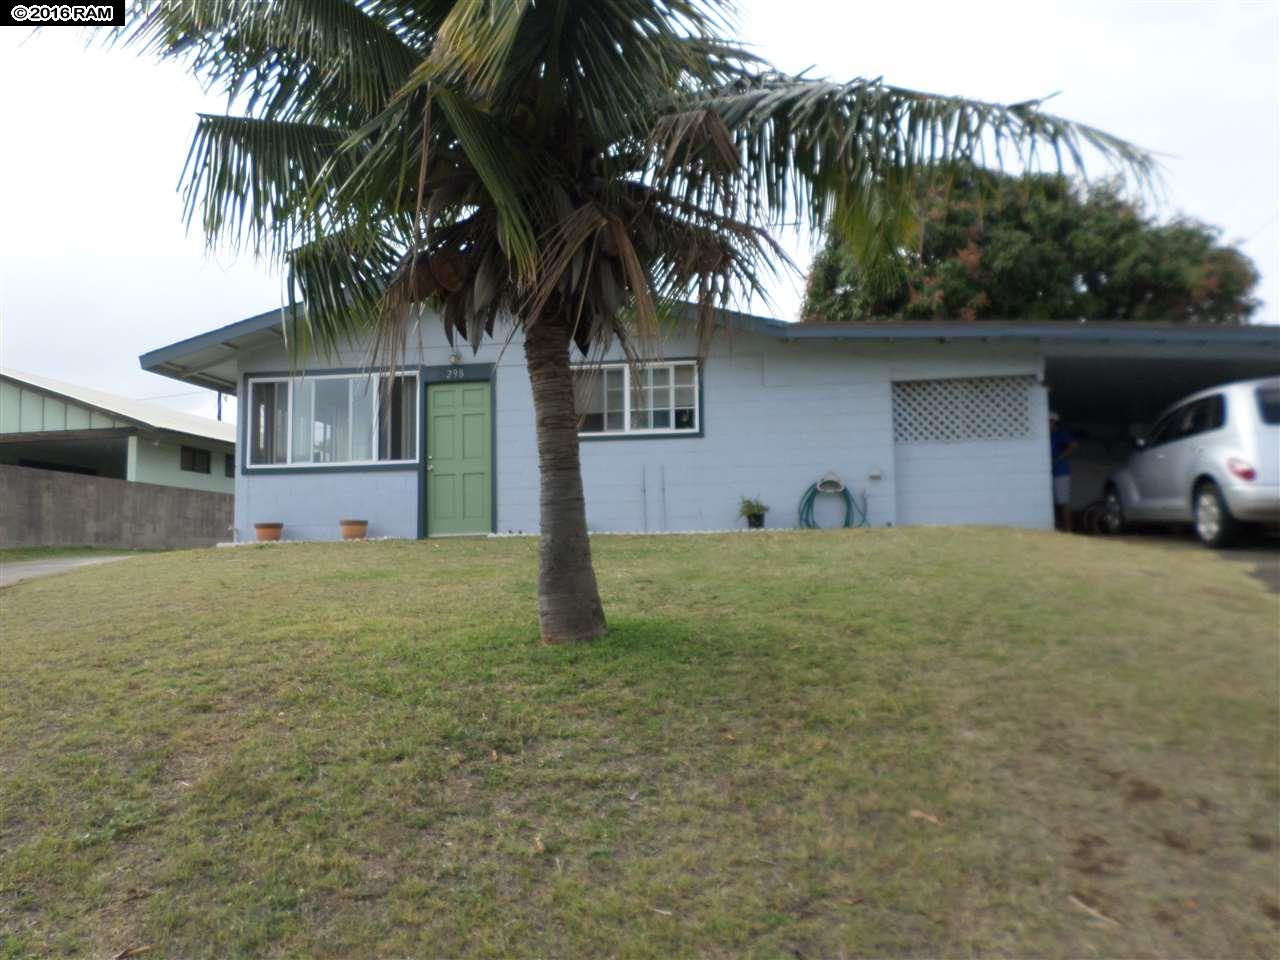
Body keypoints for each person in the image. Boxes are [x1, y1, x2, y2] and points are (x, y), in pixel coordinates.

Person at [1049, 411, 1079, 532]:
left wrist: (1058, 458)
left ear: (1055, 423)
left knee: (1063, 501)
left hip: (1061, 472)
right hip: (1047, 474)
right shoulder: (1045, 435)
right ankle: (1056, 527)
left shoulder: (1060, 434)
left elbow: (1074, 445)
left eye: (1050, 422)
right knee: (1052, 501)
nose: (1048, 424)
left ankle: (1068, 529)